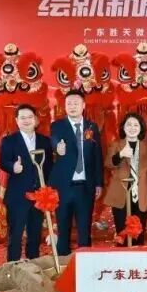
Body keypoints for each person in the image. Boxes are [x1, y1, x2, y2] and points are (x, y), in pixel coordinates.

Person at [49, 91, 103, 254]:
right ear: (64, 106)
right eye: (69, 104)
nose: (72, 106)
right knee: (63, 228)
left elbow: (97, 156)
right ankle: (63, 263)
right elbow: (55, 141)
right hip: (64, 186)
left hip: (85, 187)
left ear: (83, 106)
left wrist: (99, 183)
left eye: (76, 103)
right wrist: (58, 148)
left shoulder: (92, 127)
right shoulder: (57, 126)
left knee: (84, 230)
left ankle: (85, 263)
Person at [0, 104, 53, 261]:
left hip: (38, 196)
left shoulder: (45, 141)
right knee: (15, 236)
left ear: (35, 119)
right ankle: (13, 268)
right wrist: (13, 167)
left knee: (35, 236)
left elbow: (49, 167)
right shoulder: (9, 141)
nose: (26, 121)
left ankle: (33, 266)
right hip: (17, 196)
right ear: (17, 121)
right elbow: (3, 161)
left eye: (30, 117)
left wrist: (48, 191)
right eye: (22, 118)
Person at [104, 113, 147, 245]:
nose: (132, 127)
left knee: (138, 236)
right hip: (120, 195)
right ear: (123, 128)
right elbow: (108, 163)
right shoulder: (116, 145)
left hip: (141, 196)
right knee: (122, 235)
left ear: (141, 128)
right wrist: (121, 154)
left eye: (136, 125)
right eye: (129, 124)